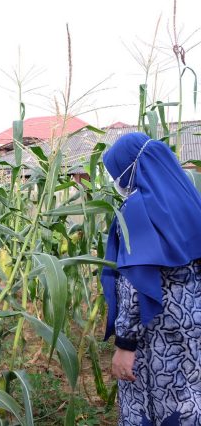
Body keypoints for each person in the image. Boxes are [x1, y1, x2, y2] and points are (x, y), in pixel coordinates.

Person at [101, 132, 201, 425]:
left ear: (130, 168)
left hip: (156, 335)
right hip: (193, 328)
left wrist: (125, 346)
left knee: (150, 407)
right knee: (189, 402)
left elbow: (134, 285)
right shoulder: (190, 201)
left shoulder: (136, 209)